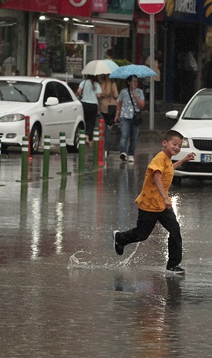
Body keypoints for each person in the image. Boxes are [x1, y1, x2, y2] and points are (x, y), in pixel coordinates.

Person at [112, 130, 196, 274]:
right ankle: (120, 238)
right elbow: (157, 178)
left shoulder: (167, 159)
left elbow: (169, 169)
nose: (177, 147)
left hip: (163, 206)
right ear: (165, 143)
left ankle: (173, 265)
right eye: (174, 144)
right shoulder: (159, 157)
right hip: (150, 205)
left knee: (175, 230)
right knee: (142, 235)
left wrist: (183, 160)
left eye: (179, 146)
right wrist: (165, 197)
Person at [114, 75, 145, 162]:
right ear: (128, 82)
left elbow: (142, 105)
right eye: (133, 81)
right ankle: (123, 152)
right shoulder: (123, 92)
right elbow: (119, 103)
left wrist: (136, 98)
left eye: (136, 81)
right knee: (124, 135)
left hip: (135, 117)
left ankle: (131, 154)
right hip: (124, 117)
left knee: (134, 137)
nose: (135, 83)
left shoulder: (140, 92)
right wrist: (117, 115)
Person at [76, 75, 102, 146]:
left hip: (84, 104)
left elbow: (78, 91)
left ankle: (87, 138)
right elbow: (99, 96)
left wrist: (83, 94)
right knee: (92, 122)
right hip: (93, 105)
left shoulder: (83, 82)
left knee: (85, 120)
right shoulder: (96, 84)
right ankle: (87, 136)